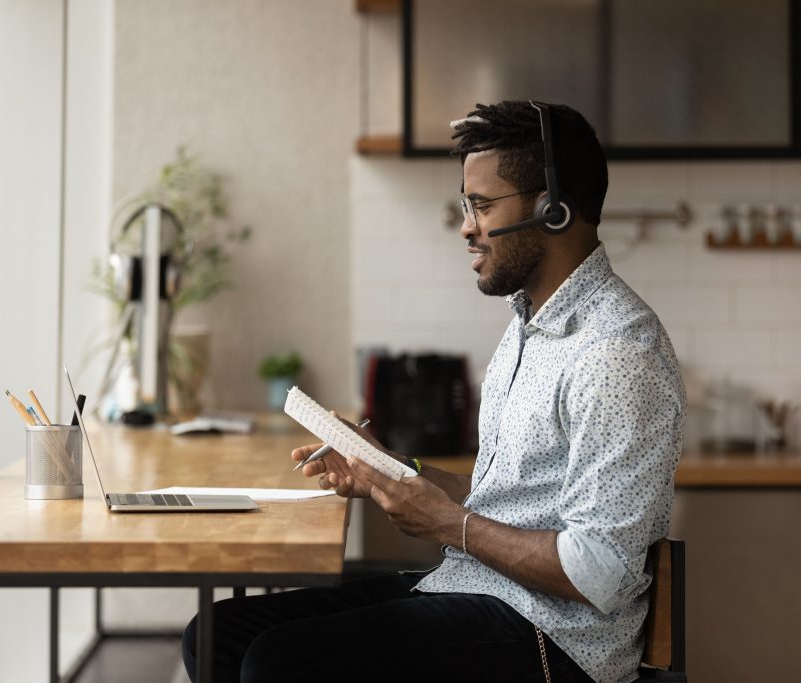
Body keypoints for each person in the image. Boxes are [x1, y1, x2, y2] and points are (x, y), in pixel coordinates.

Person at [182, 100, 684, 683]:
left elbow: (599, 571)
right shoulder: (530, 326)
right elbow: (514, 500)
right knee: (217, 638)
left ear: (552, 210)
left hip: (556, 645)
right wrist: (390, 469)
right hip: (479, 591)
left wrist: (447, 524)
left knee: (278, 664)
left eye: (483, 205)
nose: (467, 226)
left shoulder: (616, 352)